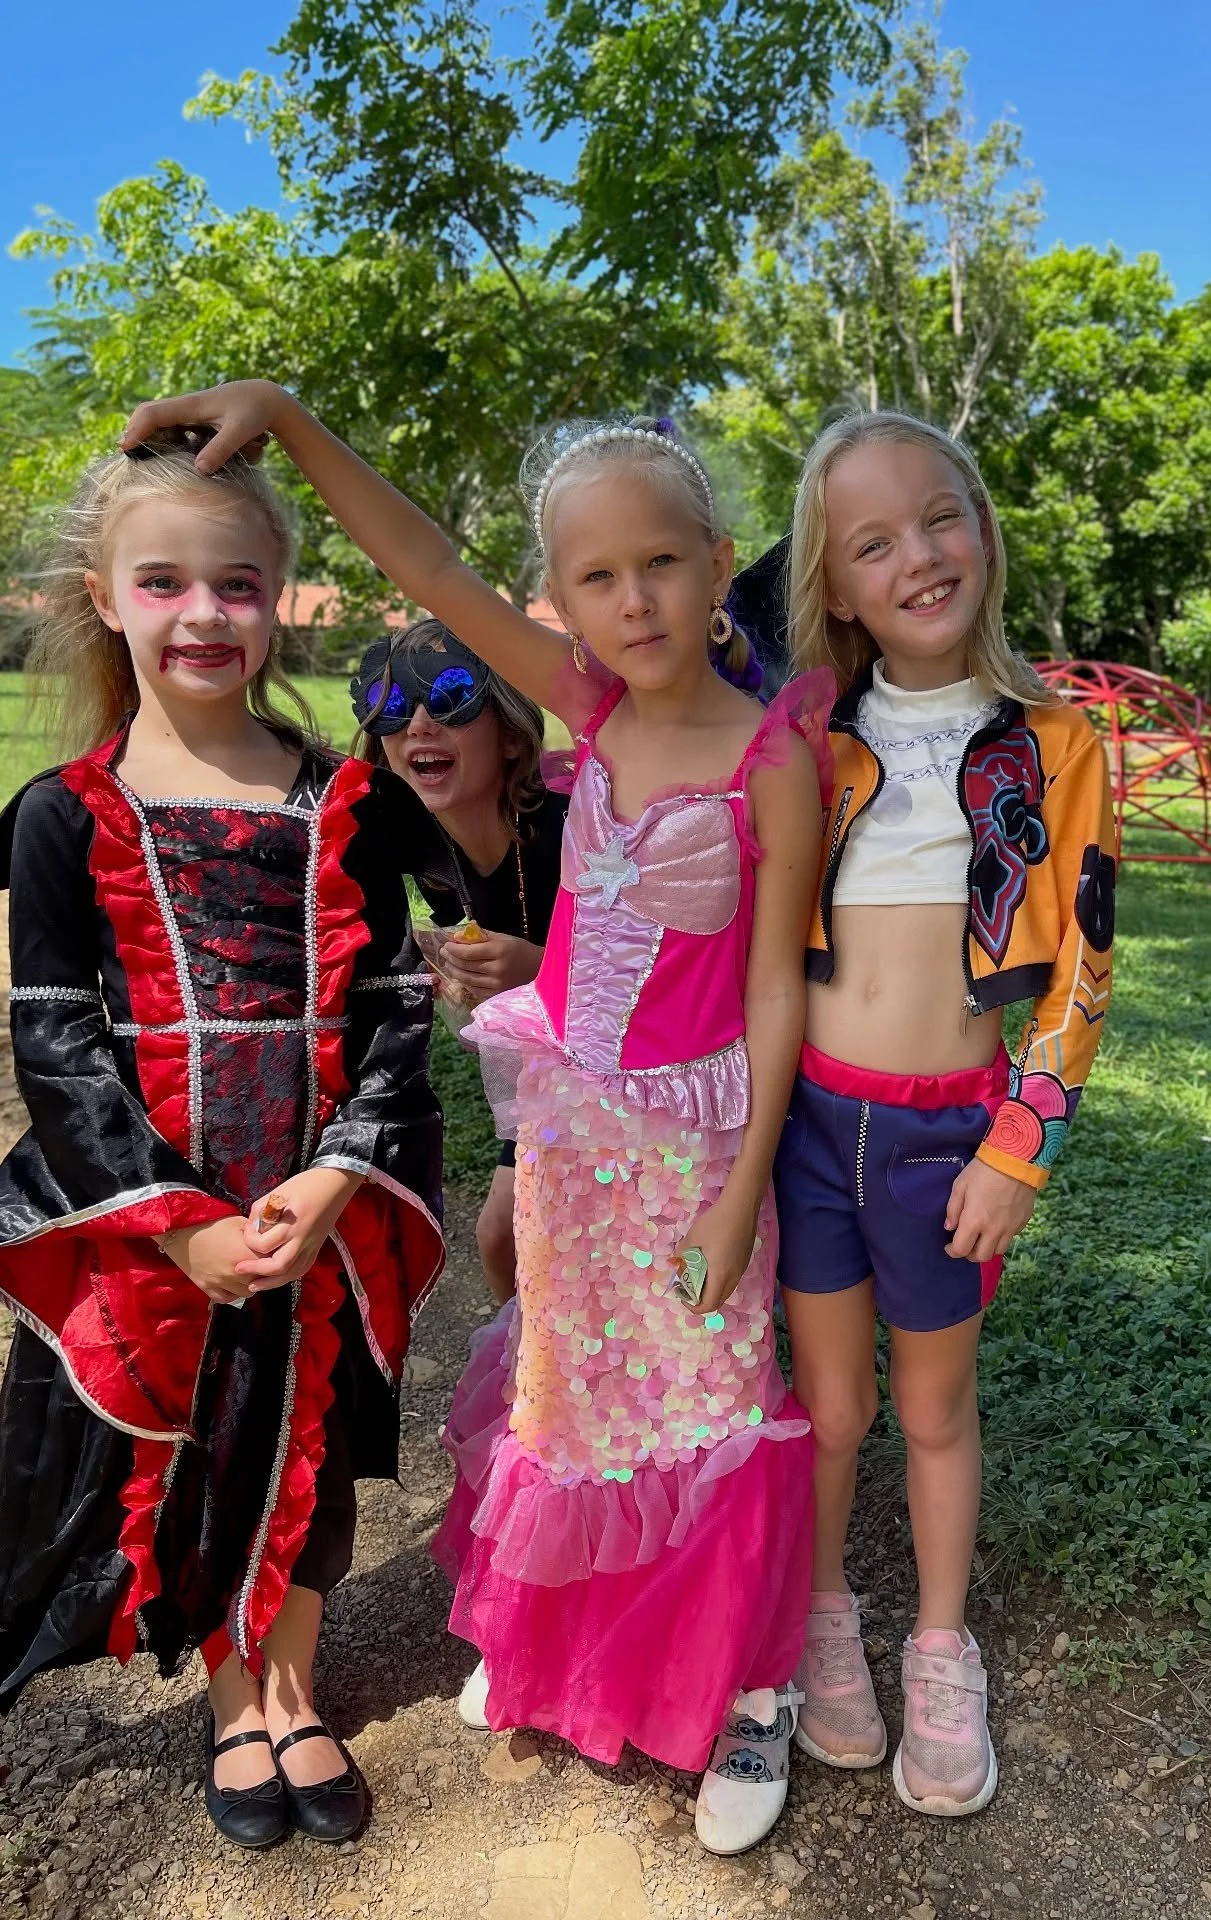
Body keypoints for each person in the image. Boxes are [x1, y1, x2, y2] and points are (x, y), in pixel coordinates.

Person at [121, 384, 830, 1855]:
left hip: (700, 1154)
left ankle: (744, 1687)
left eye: (662, 562)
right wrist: (298, 422)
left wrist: (736, 1190)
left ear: (716, 563)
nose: (633, 600)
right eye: (594, 577)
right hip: (575, 1140)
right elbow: (430, 570)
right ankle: (561, 1637)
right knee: (572, 1386)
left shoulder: (777, 759)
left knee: (713, 1403)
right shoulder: (583, 707)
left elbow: (774, 997)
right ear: (561, 599)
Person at [0, 428, 445, 1851]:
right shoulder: (63, 819)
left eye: (237, 583)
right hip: (173, 1220)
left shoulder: (346, 803)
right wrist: (180, 1221)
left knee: (322, 1438)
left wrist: (340, 1168)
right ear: (106, 597)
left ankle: (297, 1681)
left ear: (281, 594)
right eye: (163, 581)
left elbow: (398, 1007)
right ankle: (234, 1703)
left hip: (323, 1206)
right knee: (208, 1449)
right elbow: (57, 1045)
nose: (203, 614)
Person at [766, 411, 1115, 1815]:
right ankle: (823, 1612)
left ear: (984, 528)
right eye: (873, 541)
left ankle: (939, 1643)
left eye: (941, 517)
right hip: (808, 1133)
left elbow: (1084, 964)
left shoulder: (1059, 742)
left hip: (947, 1142)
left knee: (931, 1406)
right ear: (834, 585)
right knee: (830, 1409)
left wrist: (1019, 1153)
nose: (919, 555)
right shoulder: (804, 739)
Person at [350, 620, 567, 1302]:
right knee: (500, 1237)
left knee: (526, 1235)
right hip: (536, 1076)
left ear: (509, 735)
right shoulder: (419, 849)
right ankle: (525, 1385)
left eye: (449, 699)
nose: (417, 724)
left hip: (629, 1084)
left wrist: (540, 970)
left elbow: (655, 978)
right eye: (390, 707)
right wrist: (439, 967)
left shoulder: (570, 830)